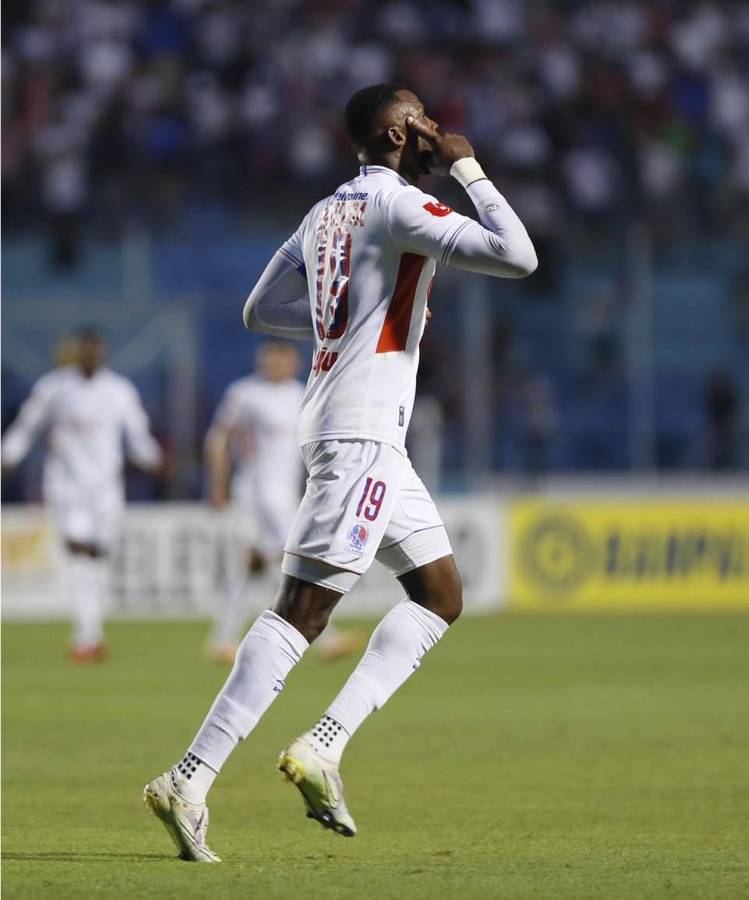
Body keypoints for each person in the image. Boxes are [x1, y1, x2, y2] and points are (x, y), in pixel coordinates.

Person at [144, 83, 537, 862]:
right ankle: (188, 776)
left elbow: (261, 310)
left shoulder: (322, 212)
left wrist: (344, 320)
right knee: (303, 612)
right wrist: (470, 171)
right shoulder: (396, 207)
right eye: (421, 118)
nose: (435, 127)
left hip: (358, 432)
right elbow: (518, 257)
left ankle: (324, 744)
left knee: (438, 593)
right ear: (396, 134)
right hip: (359, 433)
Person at [1, 327, 162, 661]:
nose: (89, 356)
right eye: (83, 350)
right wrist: (9, 455)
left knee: (97, 558)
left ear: (102, 353)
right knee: (80, 551)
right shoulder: (53, 388)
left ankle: (90, 633)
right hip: (66, 487)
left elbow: (136, 434)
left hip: (105, 490)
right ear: (75, 353)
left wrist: (153, 459)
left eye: (94, 350)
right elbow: (27, 426)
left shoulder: (119, 390)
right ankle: (86, 637)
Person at [204, 341, 361, 662]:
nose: (275, 365)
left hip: (285, 495)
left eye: (282, 359)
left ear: (295, 363)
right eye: (270, 359)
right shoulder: (245, 394)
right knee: (296, 561)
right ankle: (322, 635)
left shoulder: (301, 394)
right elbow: (218, 439)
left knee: (255, 565)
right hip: (253, 491)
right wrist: (218, 485)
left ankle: (224, 639)